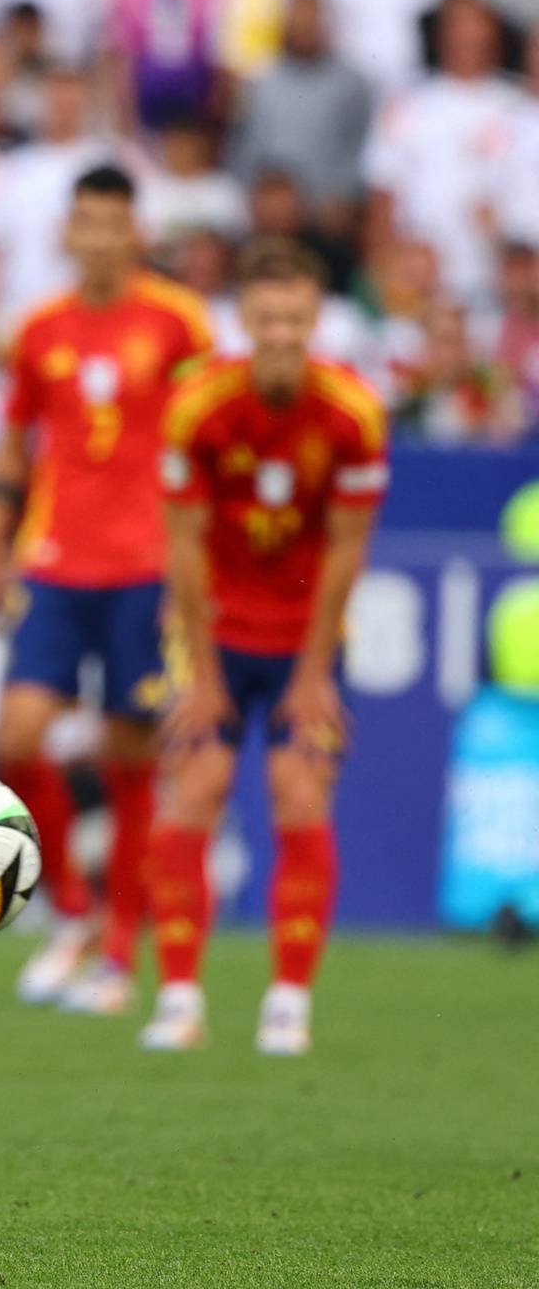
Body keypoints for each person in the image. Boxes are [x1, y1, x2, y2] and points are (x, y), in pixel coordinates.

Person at [0, 164, 212, 1015]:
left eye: (114, 222)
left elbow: (206, 447)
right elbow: (9, 450)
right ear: (68, 232)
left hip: (144, 566)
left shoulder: (178, 323)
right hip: (56, 558)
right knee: (19, 735)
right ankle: (69, 906)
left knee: (129, 757)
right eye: (86, 222)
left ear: (134, 231)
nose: (99, 236)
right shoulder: (39, 330)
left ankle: (116, 953)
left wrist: (193, 570)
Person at [141, 239, 388, 1055]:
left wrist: (316, 672)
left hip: (304, 638)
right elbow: (182, 547)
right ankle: (179, 998)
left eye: (296, 319)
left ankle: (289, 1002)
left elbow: (348, 551)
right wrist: (203, 676)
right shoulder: (199, 407)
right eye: (267, 319)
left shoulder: (354, 414)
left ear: (316, 322)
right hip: (214, 629)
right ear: (245, 322)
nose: (281, 333)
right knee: (194, 790)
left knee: (300, 795)